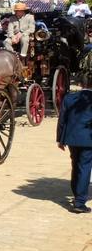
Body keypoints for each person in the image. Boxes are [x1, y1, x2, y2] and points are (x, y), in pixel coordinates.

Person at [57, 77, 92, 213]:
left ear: (82, 84)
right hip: (88, 139)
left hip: (71, 138)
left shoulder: (70, 98)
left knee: (75, 165)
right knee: (84, 167)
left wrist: (60, 139)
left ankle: (76, 193)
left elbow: (62, 119)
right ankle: (79, 201)